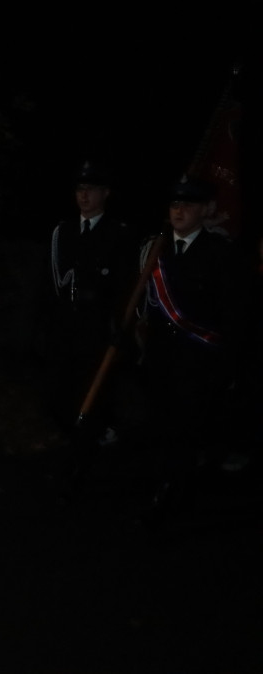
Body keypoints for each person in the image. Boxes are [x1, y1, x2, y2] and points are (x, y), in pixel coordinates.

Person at [137, 174, 249, 523]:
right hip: (159, 358)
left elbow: (232, 312)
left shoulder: (220, 254)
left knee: (186, 431)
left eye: (188, 204)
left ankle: (175, 498)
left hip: (198, 360)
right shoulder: (155, 249)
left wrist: (227, 364)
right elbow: (143, 306)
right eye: (174, 204)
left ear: (205, 211)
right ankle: (164, 488)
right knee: (160, 427)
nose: (179, 211)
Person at [43, 161, 137, 449]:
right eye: (80, 189)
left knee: (95, 385)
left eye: (91, 190)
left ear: (105, 193)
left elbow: (124, 284)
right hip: (67, 319)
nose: (84, 196)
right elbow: (51, 282)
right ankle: (72, 434)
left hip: (98, 320)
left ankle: (95, 436)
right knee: (61, 386)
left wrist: (120, 323)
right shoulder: (64, 231)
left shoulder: (118, 233)